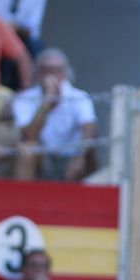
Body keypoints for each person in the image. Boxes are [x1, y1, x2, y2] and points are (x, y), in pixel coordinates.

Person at [12, 47, 96, 181]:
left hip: (71, 154)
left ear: (65, 74)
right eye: (46, 70)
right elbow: (29, 135)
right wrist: (46, 103)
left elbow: (89, 127)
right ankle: (22, 194)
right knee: (27, 149)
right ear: (38, 74)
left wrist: (80, 157)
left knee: (91, 146)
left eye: (56, 70)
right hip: (42, 157)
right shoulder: (24, 98)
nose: (51, 75)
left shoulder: (79, 96)